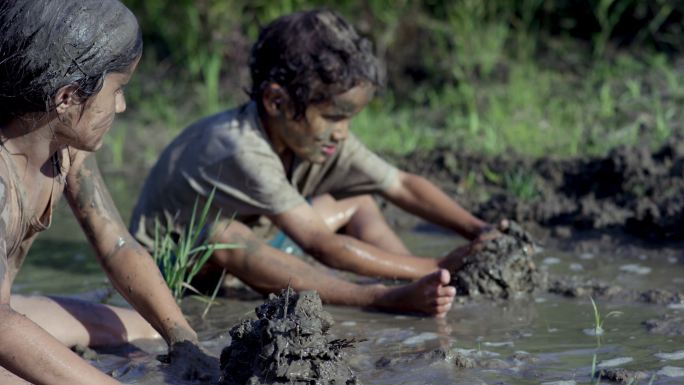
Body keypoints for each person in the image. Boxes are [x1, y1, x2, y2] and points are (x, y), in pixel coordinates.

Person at [131, 10, 498, 318]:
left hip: (255, 249)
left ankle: (421, 285)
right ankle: (381, 297)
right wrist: (439, 262)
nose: (342, 133)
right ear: (276, 101)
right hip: (173, 273)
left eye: (349, 118)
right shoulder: (239, 148)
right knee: (223, 236)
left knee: (359, 202)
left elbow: (400, 185)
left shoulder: (313, 135)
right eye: (334, 116)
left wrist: (479, 231)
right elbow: (321, 245)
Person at [0, 1, 217, 384]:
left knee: (143, 328)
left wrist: (182, 338)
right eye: (118, 89)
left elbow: (116, 245)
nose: (123, 104)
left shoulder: (64, 147)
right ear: (65, 98)